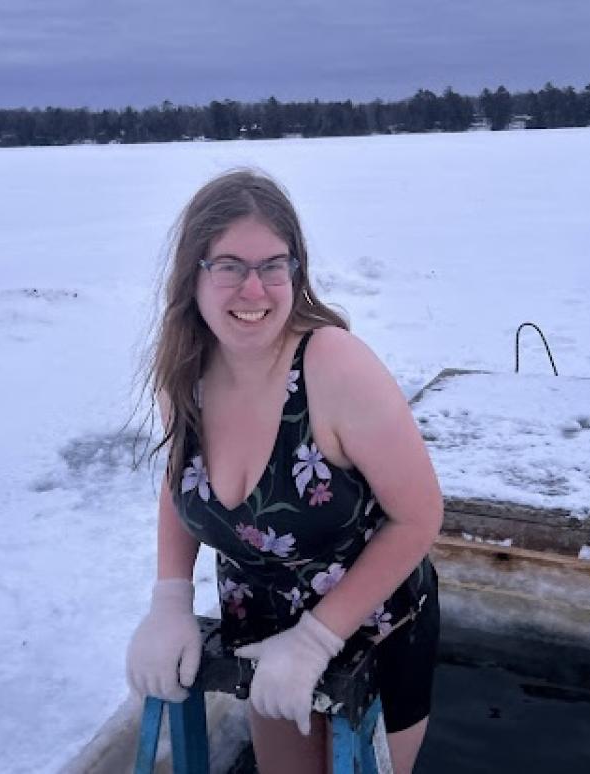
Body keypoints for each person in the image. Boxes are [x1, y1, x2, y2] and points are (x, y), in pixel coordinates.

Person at [126, 169, 443, 774]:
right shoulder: (184, 372)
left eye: (274, 265)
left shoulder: (333, 367)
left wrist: (317, 639)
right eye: (229, 266)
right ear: (192, 272)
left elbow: (419, 516)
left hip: (376, 630)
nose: (255, 289)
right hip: (262, 632)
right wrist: (169, 598)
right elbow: (181, 484)